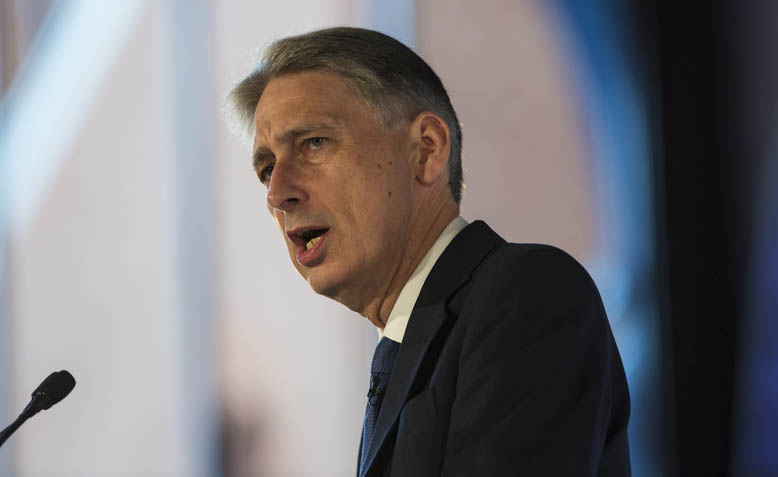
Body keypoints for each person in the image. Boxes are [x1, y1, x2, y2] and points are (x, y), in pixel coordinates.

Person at [226, 27, 630, 477]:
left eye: (314, 143)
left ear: (426, 150)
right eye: (266, 169)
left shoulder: (530, 293)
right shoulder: (403, 349)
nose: (277, 194)